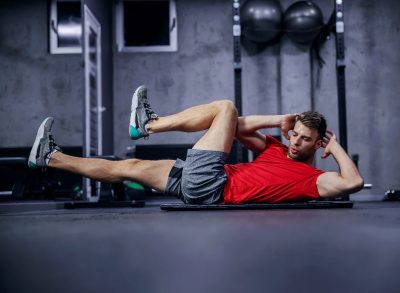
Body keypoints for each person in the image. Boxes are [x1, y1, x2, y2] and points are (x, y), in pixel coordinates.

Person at [28, 85, 364, 204]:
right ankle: (51, 157)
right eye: (294, 134)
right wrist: (279, 121)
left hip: (212, 184)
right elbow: (235, 128)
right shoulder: (276, 148)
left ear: (316, 143)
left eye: (305, 139)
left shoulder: (314, 181)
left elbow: (353, 182)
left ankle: (150, 125)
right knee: (126, 168)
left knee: (224, 106)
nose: (295, 142)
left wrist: (333, 147)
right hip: (203, 181)